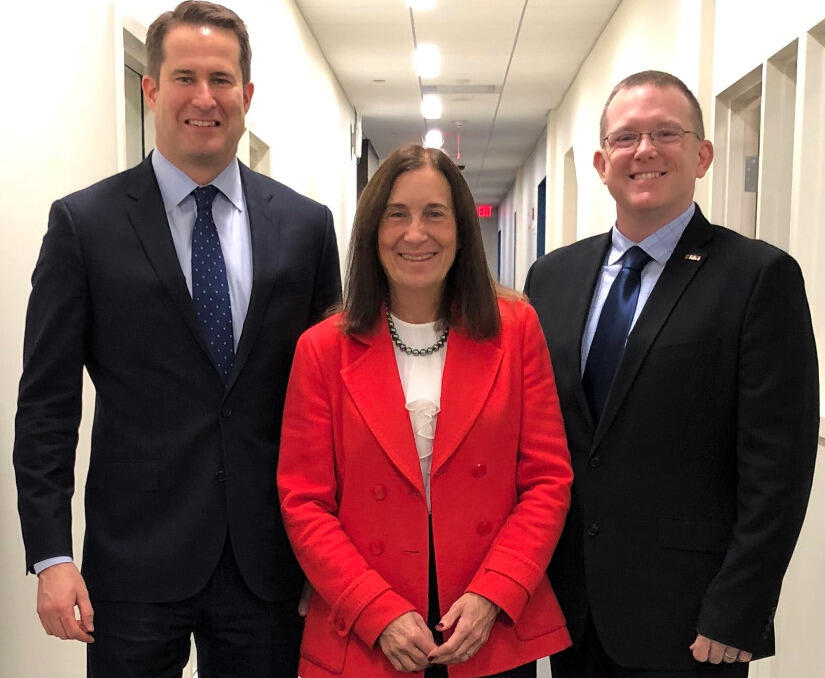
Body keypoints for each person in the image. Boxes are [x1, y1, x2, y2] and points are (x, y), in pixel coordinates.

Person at [13, 2, 341, 675]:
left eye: (221, 79)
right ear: (151, 88)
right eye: (184, 77)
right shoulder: (84, 224)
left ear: (246, 96)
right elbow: (46, 405)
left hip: (269, 561)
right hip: (132, 562)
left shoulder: (306, 228)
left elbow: (330, 405)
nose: (203, 98)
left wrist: (333, 552)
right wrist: (51, 556)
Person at [524, 70, 819, 677]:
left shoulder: (758, 278)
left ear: (703, 155)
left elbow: (779, 467)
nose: (646, 151)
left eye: (666, 133)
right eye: (627, 138)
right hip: (569, 606)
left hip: (691, 616)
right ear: (603, 163)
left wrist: (740, 607)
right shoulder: (551, 278)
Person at [277, 143, 573, 678]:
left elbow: (548, 480)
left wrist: (494, 593)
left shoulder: (516, 330)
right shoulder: (322, 349)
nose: (416, 234)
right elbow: (304, 503)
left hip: (487, 626)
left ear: (461, 229)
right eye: (397, 215)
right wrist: (374, 609)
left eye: (435, 213)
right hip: (369, 631)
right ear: (372, 231)